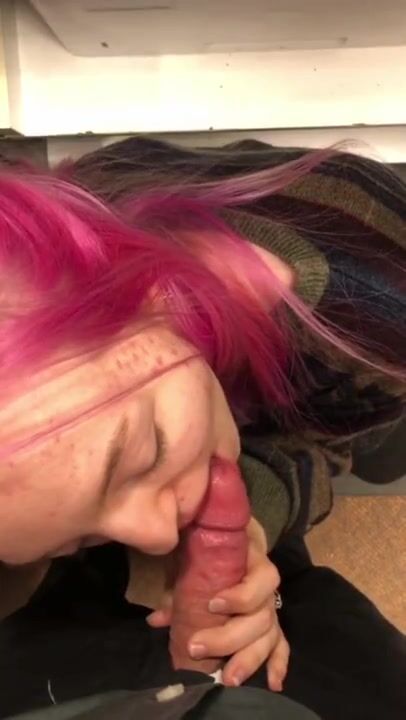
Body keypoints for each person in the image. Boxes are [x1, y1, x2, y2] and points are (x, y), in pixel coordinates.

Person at [0, 137, 404, 720]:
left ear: (150, 289)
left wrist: (261, 499)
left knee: (386, 455)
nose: (159, 538)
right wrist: (249, 528)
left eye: (146, 454)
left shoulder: (373, 311)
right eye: (74, 539)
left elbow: (326, 449)